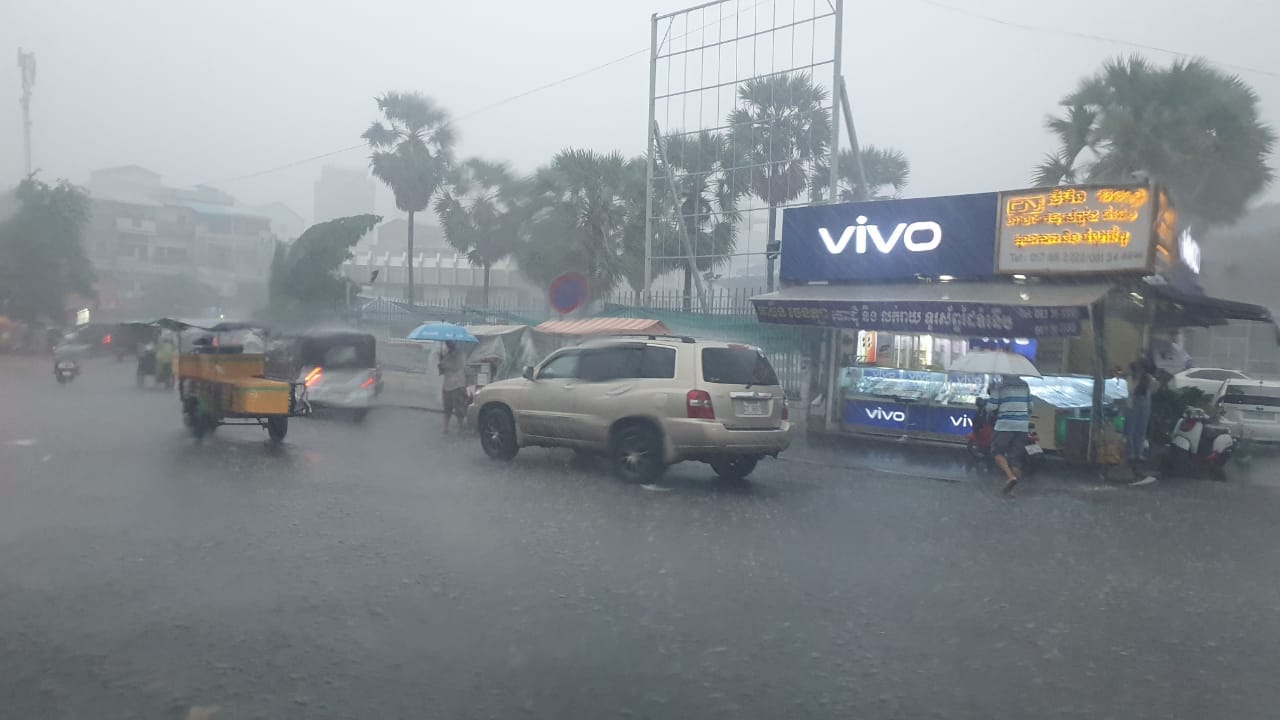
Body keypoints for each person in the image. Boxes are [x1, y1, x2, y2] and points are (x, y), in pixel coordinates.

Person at [987, 373, 1032, 496]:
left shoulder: (999, 386)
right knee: (1015, 458)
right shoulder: (1025, 385)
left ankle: (1010, 476)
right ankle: (1012, 491)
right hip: (1022, 426)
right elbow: (1030, 406)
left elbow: (992, 407)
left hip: (1005, 425)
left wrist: (991, 393)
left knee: (996, 451)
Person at [1125, 356, 1156, 469]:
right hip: (1133, 402)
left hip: (1145, 402)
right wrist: (1137, 380)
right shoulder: (1131, 377)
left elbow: (1153, 389)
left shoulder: (1148, 378)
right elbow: (1131, 390)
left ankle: (1139, 453)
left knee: (1142, 428)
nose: (1141, 370)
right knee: (1131, 428)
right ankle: (1131, 453)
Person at [438, 340, 469, 434]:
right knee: (447, 408)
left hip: (457, 385)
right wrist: (441, 362)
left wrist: (443, 363)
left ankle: (460, 428)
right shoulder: (447, 354)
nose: (447, 344)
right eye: (446, 342)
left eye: (449, 342)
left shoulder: (460, 353)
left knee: (459, 408)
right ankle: (445, 427)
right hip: (447, 385)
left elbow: (456, 366)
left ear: (454, 343)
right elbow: (442, 370)